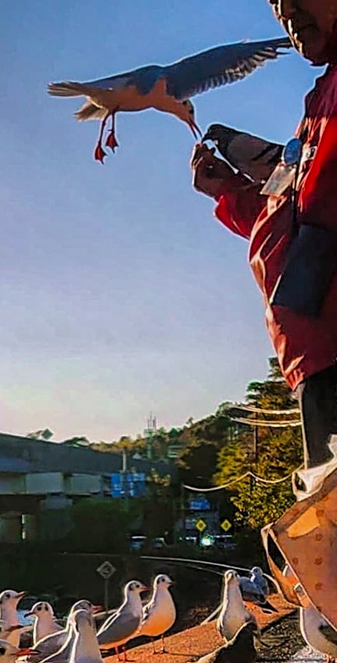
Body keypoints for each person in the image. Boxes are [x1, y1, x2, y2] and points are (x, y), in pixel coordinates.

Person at [193, 1, 337, 468]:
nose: (288, 12)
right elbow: (296, 219)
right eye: (277, 3)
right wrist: (232, 191)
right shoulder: (321, 100)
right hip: (316, 359)